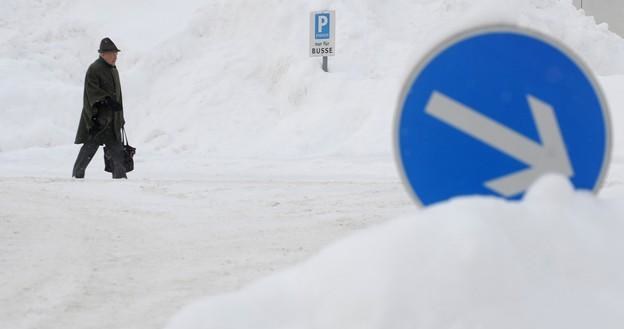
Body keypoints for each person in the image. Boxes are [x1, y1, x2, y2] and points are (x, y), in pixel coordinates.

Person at [72, 37, 127, 179]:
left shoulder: (113, 69)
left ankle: (121, 179)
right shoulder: (94, 69)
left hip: (112, 121)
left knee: (117, 151)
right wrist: (107, 101)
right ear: (102, 54)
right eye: (112, 53)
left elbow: (118, 97)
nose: (115, 57)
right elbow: (92, 92)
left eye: (116, 53)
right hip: (98, 121)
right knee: (89, 148)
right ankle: (76, 176)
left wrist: (120, 118)